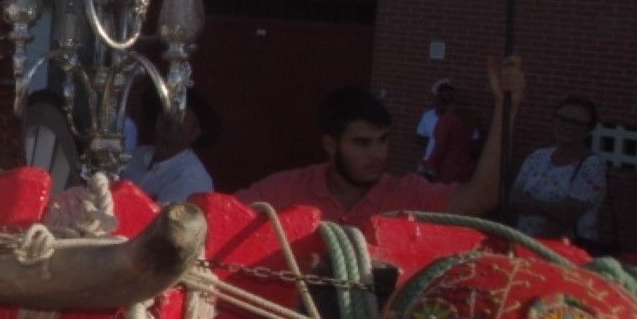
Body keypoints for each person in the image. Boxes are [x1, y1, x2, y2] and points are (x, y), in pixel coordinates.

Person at [238, 60, 525, 229]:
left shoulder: (406, 195)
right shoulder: (285, 190)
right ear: (330, 144)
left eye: (383, 140)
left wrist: (506, 107)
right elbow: (217, 215)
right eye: (362, 143)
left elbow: (482, 198)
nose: (377, 154)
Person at [507, 95, 613, 251]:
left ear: (588, 130)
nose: (567, 126)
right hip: (524, 243)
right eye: (563, 119)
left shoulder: (591, 166)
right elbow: (513, 199)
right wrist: (552, 209)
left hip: (565, 252)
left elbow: (566, 215)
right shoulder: (537, 157)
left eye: (576, 123)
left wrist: (530, 204)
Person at [121, 90, 218, 205]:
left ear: (195, 133)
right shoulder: (134, 155)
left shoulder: (192, 177)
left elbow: (163, 222)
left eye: (182, 117)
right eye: (167, 111)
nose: (171, 121)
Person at [416, 78, 474, 183]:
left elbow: (440, 146)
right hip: (461, 170)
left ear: (440, 102)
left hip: (444, 172)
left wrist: (427, 166)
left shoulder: (447, 119)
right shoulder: (466, 118)